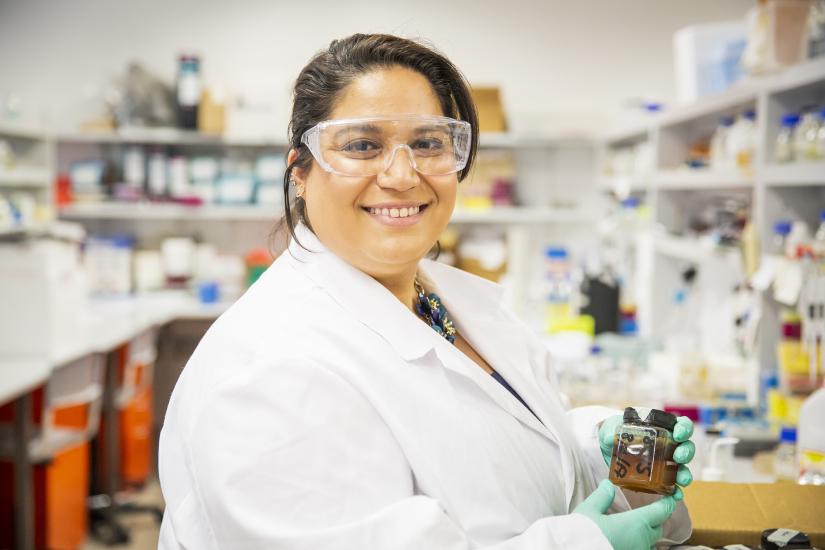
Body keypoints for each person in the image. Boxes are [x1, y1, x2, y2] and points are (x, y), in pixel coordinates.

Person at [158, 33, 695, 549]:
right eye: (363, 145)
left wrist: (598, 449)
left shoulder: (447, 306)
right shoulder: (269, 372)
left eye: (428, 143)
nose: (401, 174)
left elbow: (506, 451)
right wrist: (582, 545)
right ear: (300, 169)